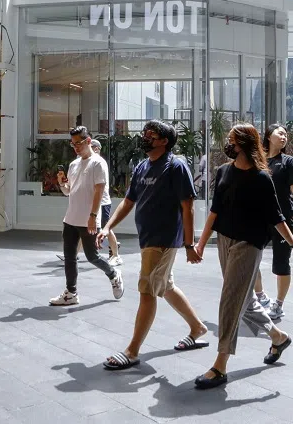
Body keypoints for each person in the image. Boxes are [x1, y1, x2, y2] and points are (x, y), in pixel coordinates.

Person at [193, 123, 293, 389]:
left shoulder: (261, 178)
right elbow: (214, 211)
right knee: (244, 300)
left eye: (232, 140)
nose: (228, 144)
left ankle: (220, 365)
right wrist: (201, 243)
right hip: (224, 240)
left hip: (249, 243)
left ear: (244, 144)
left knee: (230, 300)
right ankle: (278, 337)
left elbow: (277, 217)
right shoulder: (223, 171)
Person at [97, 120, 207, 370]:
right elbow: (128, 201)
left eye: (151, 135)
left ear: (164, 141)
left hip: (163, 239)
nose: (145, 137)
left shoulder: (176, 166)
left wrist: (189, 245)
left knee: (147, 290)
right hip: (147, 238)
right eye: (145, 133)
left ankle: (132, 351)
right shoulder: (142, 166)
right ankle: (197, 327)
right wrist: (107, 226)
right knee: (166, 286)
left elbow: (187, 207)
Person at [50, 127, 123, 306]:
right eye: (73, 144)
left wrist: (93, 216)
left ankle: (113, 274)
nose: (76, 147)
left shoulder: (98, 163)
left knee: (92, 256)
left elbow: (99, 191)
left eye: (79, 143)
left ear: (88, 141)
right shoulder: (73, 165)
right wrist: (62, 184)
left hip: (89, 219)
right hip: (70, 219)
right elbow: (69, 192)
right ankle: (71, 293)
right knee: (69, 257)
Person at [252, 124, 293, 320]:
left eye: (285, 135)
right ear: (269, 136)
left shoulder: (288, 161)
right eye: (280, 133)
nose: (284, 137)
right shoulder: (258, 161)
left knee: (281, 263)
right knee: (250, 258)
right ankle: (261, 297)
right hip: (259, 218)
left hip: (283, 218)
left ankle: (279, 304)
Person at [92, 139, 122, 267]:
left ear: (97, 149)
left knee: (106, 228)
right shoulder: (90, 162)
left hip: (103, 202)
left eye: (91, 147)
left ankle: (116, 255)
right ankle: (73, 255)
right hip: (95, 201)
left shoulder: (100, 162)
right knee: (86, 228)